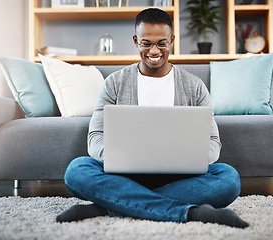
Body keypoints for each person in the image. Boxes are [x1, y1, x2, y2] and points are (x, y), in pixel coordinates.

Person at [56, 8, 248, 229]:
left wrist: (185, 158)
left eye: (162, 43)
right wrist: (122, 158)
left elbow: (213, 143)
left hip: (180, 177)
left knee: (228, 178)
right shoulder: (114, 83)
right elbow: (95, 138)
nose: (154, 50)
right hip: (125, 176)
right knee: (77, 170)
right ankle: (193, 214)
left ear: (172, 41)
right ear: (136, 41)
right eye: (146, 43)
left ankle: (107, 208)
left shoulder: (194, 86)